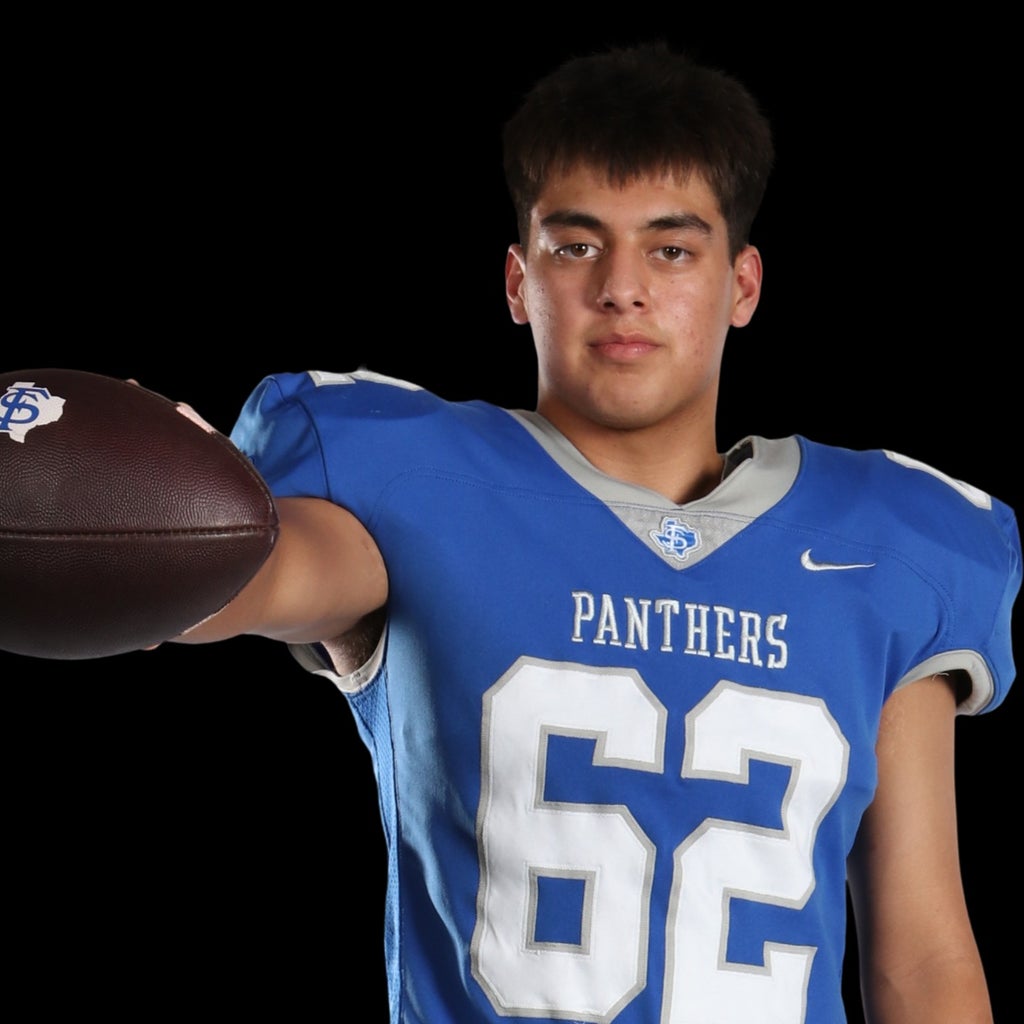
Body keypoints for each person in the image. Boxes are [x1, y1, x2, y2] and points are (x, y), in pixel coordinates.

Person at [27, 44, 1021, 1024]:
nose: (622, 287)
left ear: (743, 284)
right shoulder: (418, 491)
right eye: (576, 245)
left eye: (671, 249)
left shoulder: (887, 547)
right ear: (517, 280)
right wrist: (162, 532)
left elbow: (922, 961)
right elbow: (267, 571)